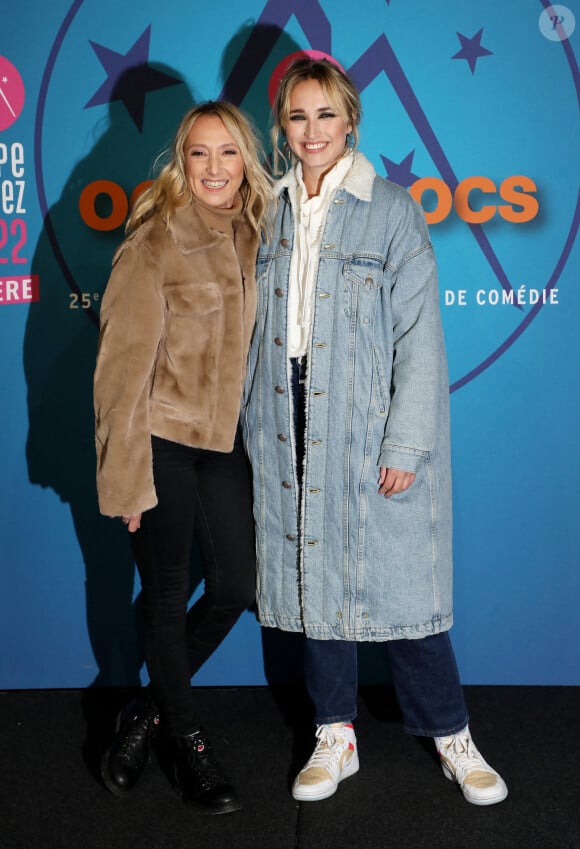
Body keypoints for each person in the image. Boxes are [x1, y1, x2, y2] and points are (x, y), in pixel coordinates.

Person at [242, 58, 508, 807]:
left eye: (326, 115)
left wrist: (404, 442)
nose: (313, 130)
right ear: (281, 127)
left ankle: (452, 732)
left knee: (402, 587)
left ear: (350, 121)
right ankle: (336, 732)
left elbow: (420, 337)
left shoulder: (390, 208)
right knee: (316, 577)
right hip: (281, 410)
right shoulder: (268, 207)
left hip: (363, 412)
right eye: (298, 116)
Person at [94, 101, 272, 814]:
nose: (214, 169)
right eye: (199, 154)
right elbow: (118, 371)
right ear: (181, 161)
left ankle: (145, 713)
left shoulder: (259, 232)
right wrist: (126, 479)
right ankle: (189, 741)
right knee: (166, 597)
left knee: (236, 585)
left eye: (228, 153)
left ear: (246, 160)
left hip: (224, 443)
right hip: (161, 441)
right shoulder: (153, 242)